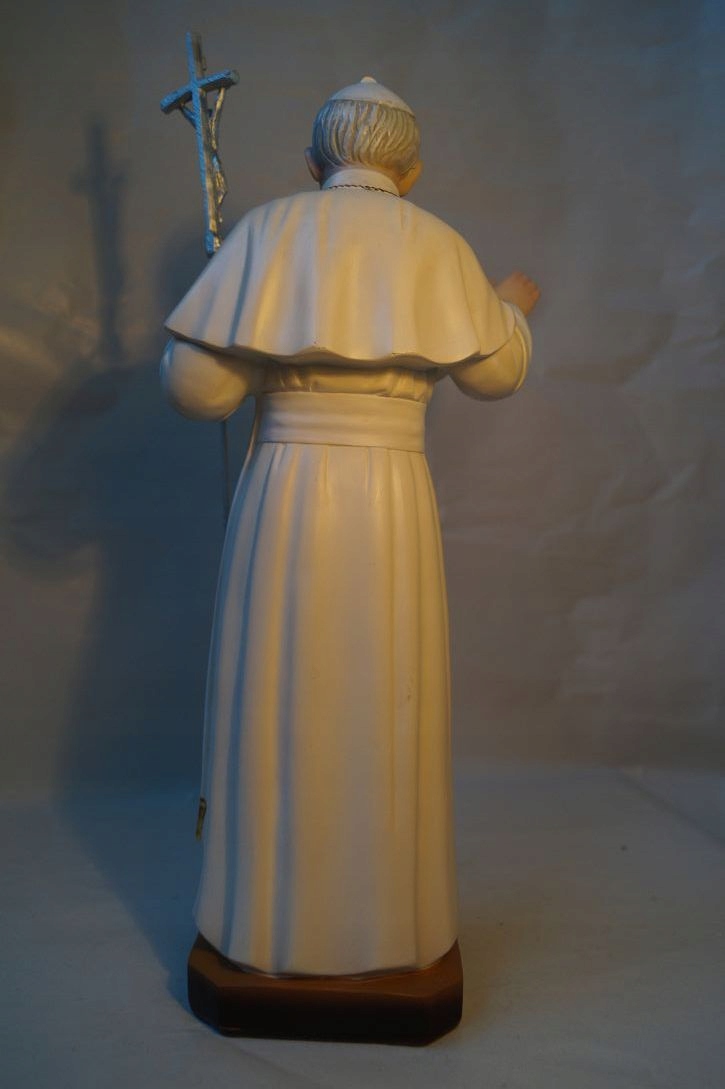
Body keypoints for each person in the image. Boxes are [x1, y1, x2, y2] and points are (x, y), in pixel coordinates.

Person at [161, 77, 540, 978]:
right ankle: (387, 931)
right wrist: (507, 307)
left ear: (313, 162)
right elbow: (495, 375)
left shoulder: (266, 232)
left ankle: (264, 924)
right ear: (410, 171)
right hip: (387, 502)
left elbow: (199, 393)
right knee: (382, 699)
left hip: (285, 495)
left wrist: (220, 319)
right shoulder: (438, 243)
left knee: (280, 694)